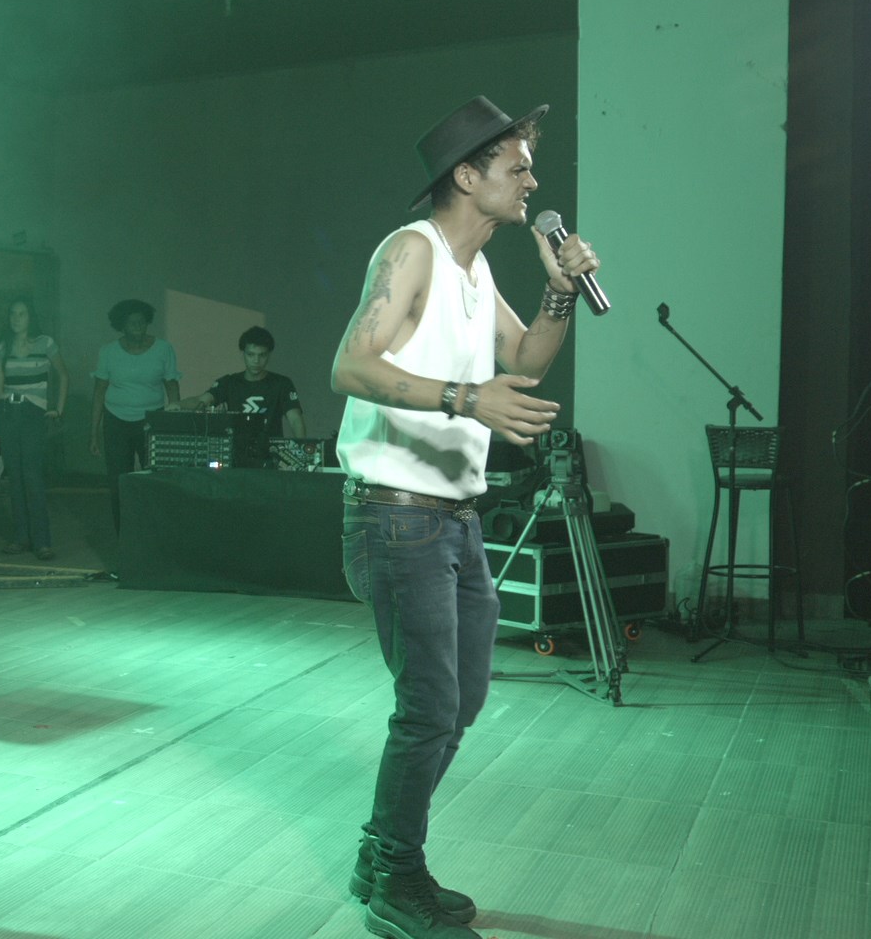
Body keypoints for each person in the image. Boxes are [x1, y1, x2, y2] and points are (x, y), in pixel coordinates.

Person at [330, 95, 598, 939]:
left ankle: (382, 852)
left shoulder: (477, 273)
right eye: (518, 167)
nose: (532, 182)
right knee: (429, 706)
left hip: (455, 518)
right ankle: (396, 876)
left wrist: (559, 293)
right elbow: (349, 366)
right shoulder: (411, 250)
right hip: (395, 516)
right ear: (468, 176)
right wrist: (465, 399)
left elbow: (525, 359)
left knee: (463, 700)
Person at [0, 297, 67, 559]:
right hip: (8, 412)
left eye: (21, 313)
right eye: (12, 313)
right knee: (15, 478)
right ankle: (21, 538)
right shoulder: (3, 347)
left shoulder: (45, 343)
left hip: (33, 414)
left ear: (31, 317)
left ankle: (42, 542)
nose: (16, 318)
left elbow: (63, 375)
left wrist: (58, 409)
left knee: (32, 476)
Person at [90, 298, 179, 529]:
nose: (138, 327)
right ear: (121, 326)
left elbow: (172, 387)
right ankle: (125, 533)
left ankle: (153, 531)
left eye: (142, 322)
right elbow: (99, 391)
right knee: (119, 482)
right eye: (132, 323)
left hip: (152, 421)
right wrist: (94, 433)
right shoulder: (108, 352)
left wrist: (174, 424)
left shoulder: (163, 349)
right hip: (116, 422)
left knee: (155, 479)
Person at [171, 325, 306, 438]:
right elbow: (202, 400)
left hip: (271, 455)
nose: (256, 361)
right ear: (242, 354)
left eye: (262, 355)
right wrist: (178, 404)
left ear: (269, 355)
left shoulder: (282, 383)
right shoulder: (229, 382)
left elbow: (295, 420)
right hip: (235, 453)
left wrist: (302, 453)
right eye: (251, 354)